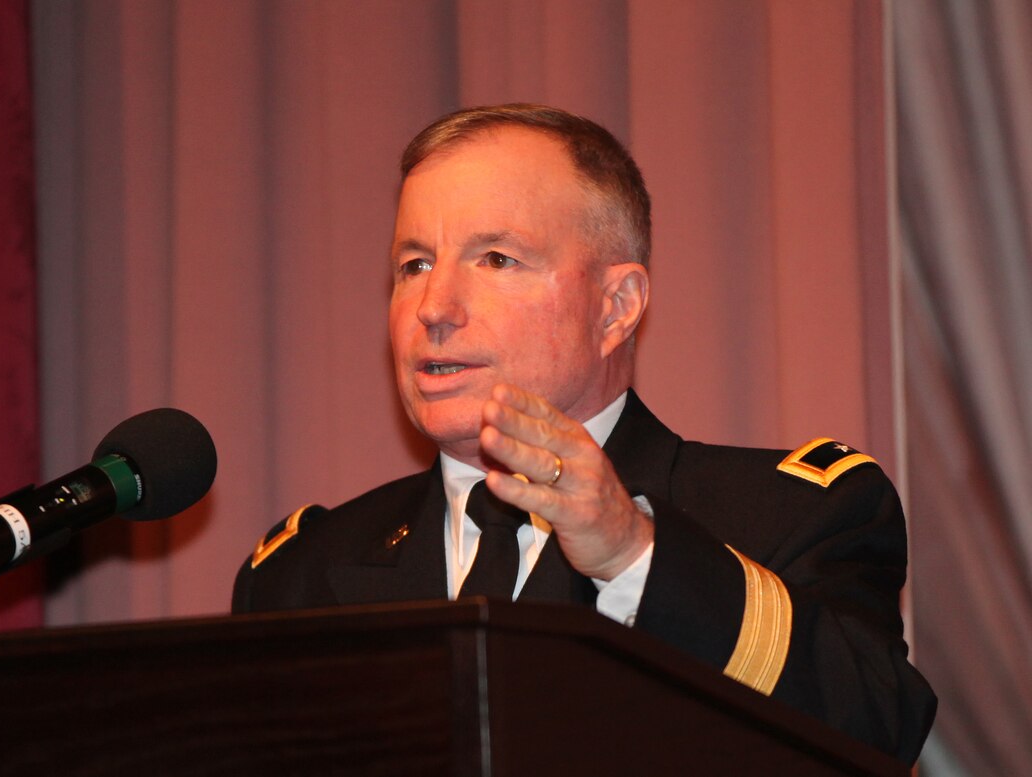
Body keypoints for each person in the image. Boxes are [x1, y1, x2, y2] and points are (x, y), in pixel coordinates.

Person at [232, 104, 935, 763]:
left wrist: (633, 553)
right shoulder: (302, 573)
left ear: (615, 306)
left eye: (497, 259)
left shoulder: (787, 515)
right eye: (413, 264)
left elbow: (875, 727)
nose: (434, 307)